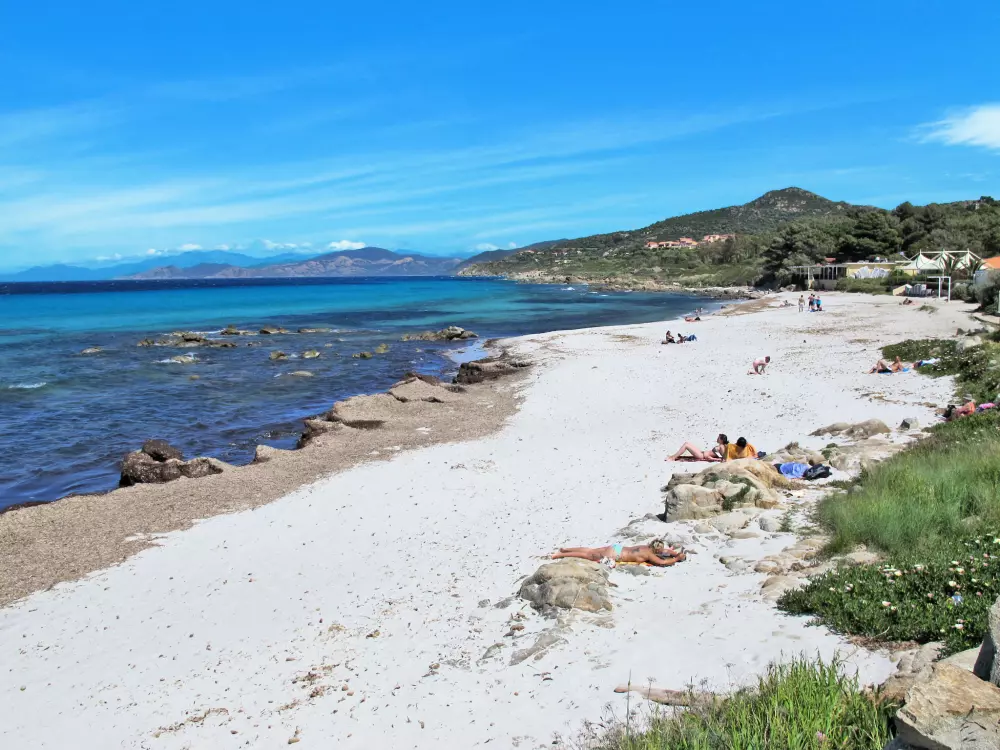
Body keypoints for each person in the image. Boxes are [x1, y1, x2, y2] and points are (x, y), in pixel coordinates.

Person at [553, 539, 687, 567]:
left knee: (590, 550)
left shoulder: (646, 547)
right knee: (588, 556)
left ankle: (566, 549)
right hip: (614, 555)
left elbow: (664, 551)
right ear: (657, 550)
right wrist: (676, 559)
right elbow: (662, 562)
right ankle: (559, 555)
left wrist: (674, 554)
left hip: (617, 548)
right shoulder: (649, 555)